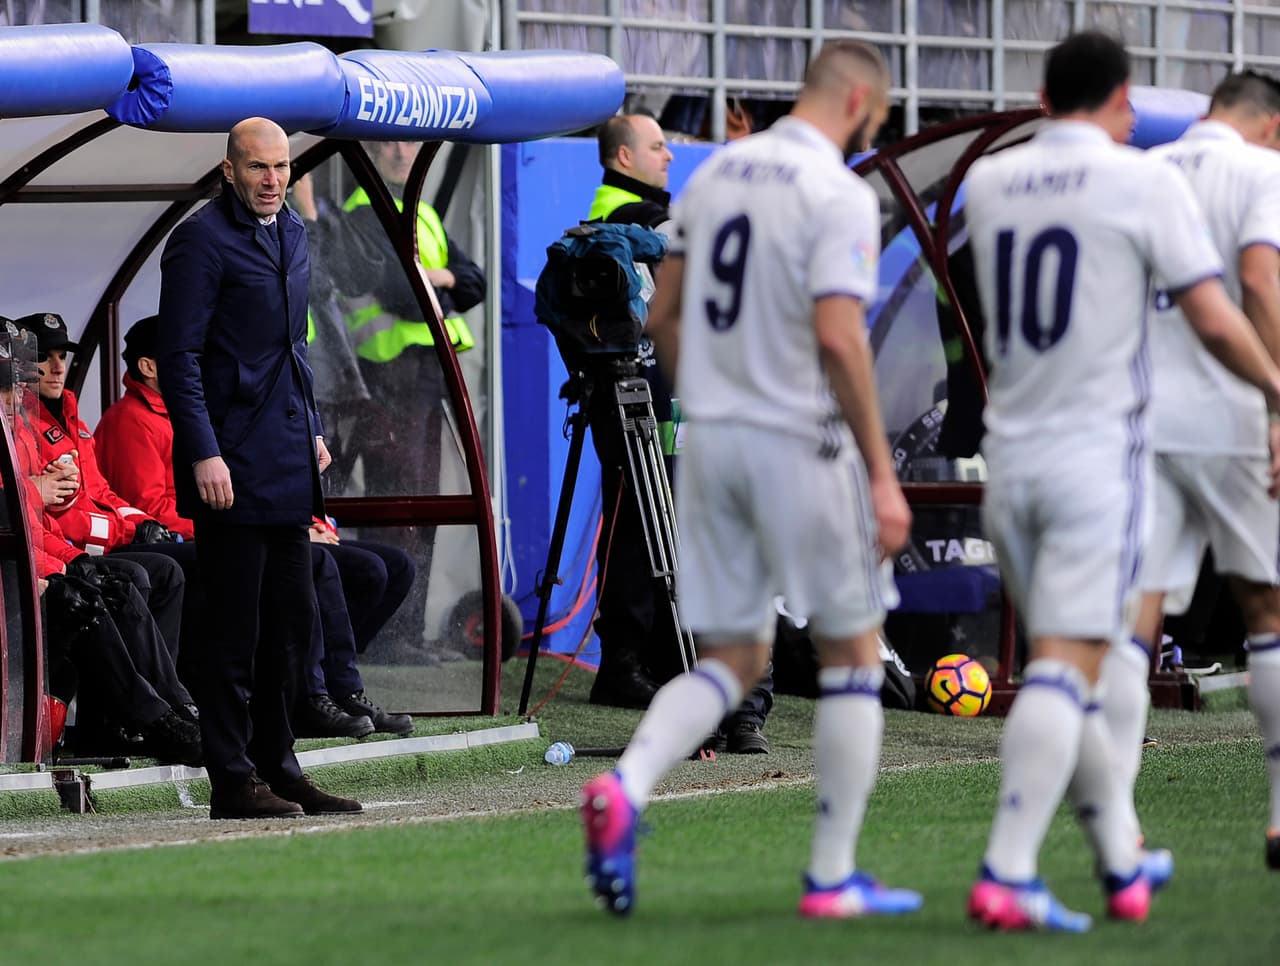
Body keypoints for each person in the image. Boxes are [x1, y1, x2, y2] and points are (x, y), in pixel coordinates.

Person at [580, 40, 923, 919]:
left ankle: (628, 785)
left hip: (714, 442)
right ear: (857, 104)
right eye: (877, 120)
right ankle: (833, 874)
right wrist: (883, 474)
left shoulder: (717, 177)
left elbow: (660, 312)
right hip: (800, 440)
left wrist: (713, 403)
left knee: (734, 658)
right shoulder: (837, 191)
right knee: (852, 652)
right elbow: (841, 338)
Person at [963, 33, 1280, 931]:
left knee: (1104, 650)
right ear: (1123, 100)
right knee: (1076, 663)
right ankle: (1008, 870)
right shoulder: (1145, 180)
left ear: (1041, 93)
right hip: (1103, 454)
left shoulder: (990, 182)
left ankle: (1121, 857)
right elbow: (1223, 310)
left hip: (1011, 455)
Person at [156, 116, 360, 820]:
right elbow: (179, 361)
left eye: (281, 168)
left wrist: (311, 429)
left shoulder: (294, 234)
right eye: (257, 168)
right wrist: (204, 449)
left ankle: (282, 767)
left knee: (291, 626)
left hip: (285, 455)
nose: (272, 180)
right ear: (229, 171)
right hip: (230, 461)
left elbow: (293, 349)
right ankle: (233, 781)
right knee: (232, 632)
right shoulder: (198, 244)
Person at [95, 315, 413, 738]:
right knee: (320, 566)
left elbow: (260, 477)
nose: (199, 364)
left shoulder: (201, 412)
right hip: (194, 536)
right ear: (150, 366)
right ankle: (312, 695)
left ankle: (330, 686)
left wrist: (310, 520)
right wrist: (235, 524)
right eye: (186, 356)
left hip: (238, 523)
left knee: (390, 567)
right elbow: (149, 507)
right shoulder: (132, 420)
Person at [585, 114, 776, 753]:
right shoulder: (639, 221)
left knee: (682, 549)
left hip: (689, 411)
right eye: (657, 146)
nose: (669, 155)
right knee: (675, 548)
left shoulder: (671, 228)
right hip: (686, 413)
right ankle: (722, 699)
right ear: (621, 156)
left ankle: (719, 697)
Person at [1130, 71, 1280, 872]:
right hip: (1232, 415)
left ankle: (1122, 829)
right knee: (1267, 607)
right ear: (1271, 124)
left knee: (1134, 623)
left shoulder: (1146, 172)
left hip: (1143, 418)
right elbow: (1258, 279)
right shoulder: (1264, 172)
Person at [309, 140, 486, 658]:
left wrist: (440, 278)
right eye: (386, 143)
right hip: (382, 378)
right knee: (397, 501)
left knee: (418, 502)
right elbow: (405, 297)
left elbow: (474, 282)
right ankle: (388, 634)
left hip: (422, 377)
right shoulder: (368, 215)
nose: (400, 151)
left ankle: (405, 632)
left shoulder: (423, 213)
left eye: (407, 141)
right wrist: (440, 284)